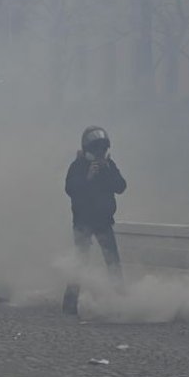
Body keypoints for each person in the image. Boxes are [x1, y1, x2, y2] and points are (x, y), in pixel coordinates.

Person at [62, 126, 127, 316]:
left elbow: (121, 186)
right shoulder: (78, 166)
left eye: (102, 149)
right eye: (96, 149)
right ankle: (69, 305)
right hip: (83, 223)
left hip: (104, 221)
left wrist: (107, 171)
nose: (100, 153)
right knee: (80, 263)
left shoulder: (109, 165)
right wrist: (88, 177)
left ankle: (121, 302)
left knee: (113, 262)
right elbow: (70, 189)